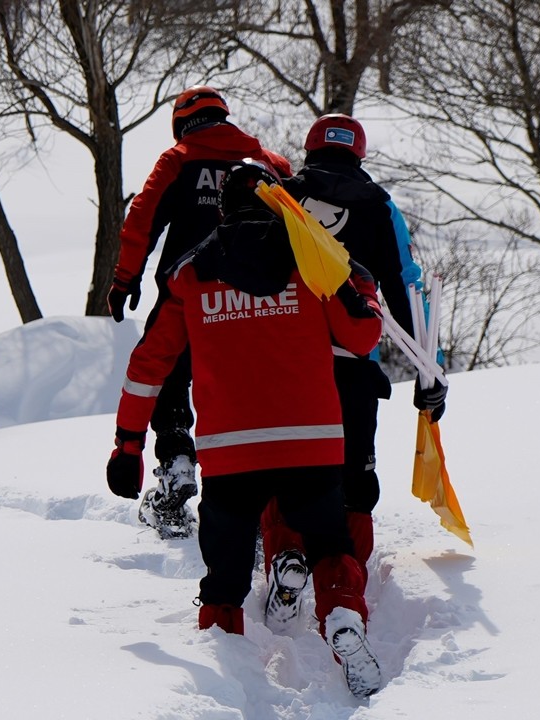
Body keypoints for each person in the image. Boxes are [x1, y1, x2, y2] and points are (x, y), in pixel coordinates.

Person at [105, 159, 386, 697]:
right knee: (330, 547)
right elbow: (363, 337)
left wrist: (129, 444)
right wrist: (364, 288)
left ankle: (228, 689)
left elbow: (149, 365)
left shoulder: (189, 272)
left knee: (225, 585)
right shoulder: (313, 263)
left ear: (223, 210)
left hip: (231, 454)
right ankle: (344, 618)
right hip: (312, 444)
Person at [259, 114, 448, 634]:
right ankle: (343, 592)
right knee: (354, 485)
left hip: (287, 368)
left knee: (287, 472)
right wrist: (431, 369)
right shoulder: (380, 207)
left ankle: (286, 556)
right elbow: (407, 287)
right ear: (358, 155)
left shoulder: (281, 197)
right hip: (353, 372)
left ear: (309, 149)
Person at [107, 86, 293, 539]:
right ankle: (257, 506)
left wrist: (124, 278)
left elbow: (141, 219)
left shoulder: (178, 160)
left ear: (181, 122)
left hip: (187, 296)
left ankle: (176, 463)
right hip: (261, 303)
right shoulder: (270, 164)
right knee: (245, 394)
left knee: (168, 375)